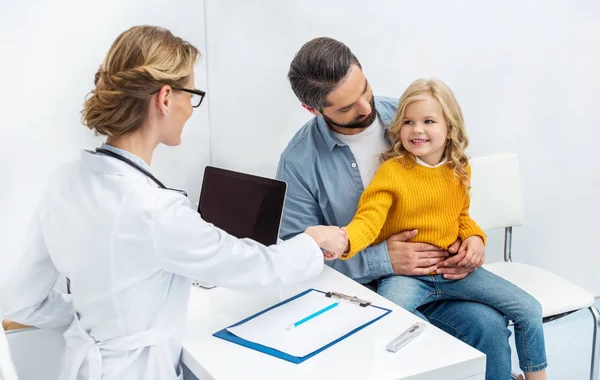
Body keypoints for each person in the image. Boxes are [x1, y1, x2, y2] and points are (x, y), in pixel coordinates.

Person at [0, 26, 348, 380]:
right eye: (192, 94)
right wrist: (314, 242)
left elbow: (23, 302)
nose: (191, 108)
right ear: (165, 98)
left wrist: (99, 315)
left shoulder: (65, 180)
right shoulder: (154, 211)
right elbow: (260, 269)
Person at [277, 37, 513, 379]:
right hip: (361, 294)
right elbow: (297, 257)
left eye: (365, 89)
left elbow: (451, 197)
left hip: (438, 276)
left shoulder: (410, 119)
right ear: (312, 109)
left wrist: (471, 239)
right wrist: (381, 259)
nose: (364, 107)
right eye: (346, 107)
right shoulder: (298, 161)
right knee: (398, 349)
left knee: (489, 327)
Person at [340, 77, 547, 379]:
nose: (417, 129)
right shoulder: (392, 172)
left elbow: (460, 215)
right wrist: (346, 241)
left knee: (529, 309)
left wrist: (475, 237)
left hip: (453, 272)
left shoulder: (458, 168)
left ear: (450, 128)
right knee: (389, 321)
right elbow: (369, 220)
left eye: (428, 121)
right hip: (407, 277)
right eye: (408, 121)